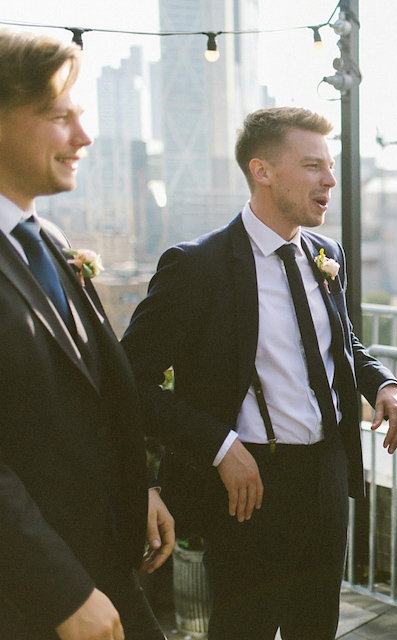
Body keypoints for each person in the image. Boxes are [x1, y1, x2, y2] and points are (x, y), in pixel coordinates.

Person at [121, 106, 397, 640]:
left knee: (316, 628)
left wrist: (381, 383)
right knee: (242, 630)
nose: (329, 179)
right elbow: (127, 382)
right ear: (263, 171)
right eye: (312, 165)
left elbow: (339, 343)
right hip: (249, 485)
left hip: (327, 477)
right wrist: (219, 445)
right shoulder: (197, 266)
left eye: (330, 166)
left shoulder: (327, 254)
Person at [0, 29, 174, 640]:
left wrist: (140, 489)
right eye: (59, 116)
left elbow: (90, 399)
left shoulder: (45, 239)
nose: (85, 136)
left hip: (105, 560)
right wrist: (62, 592)